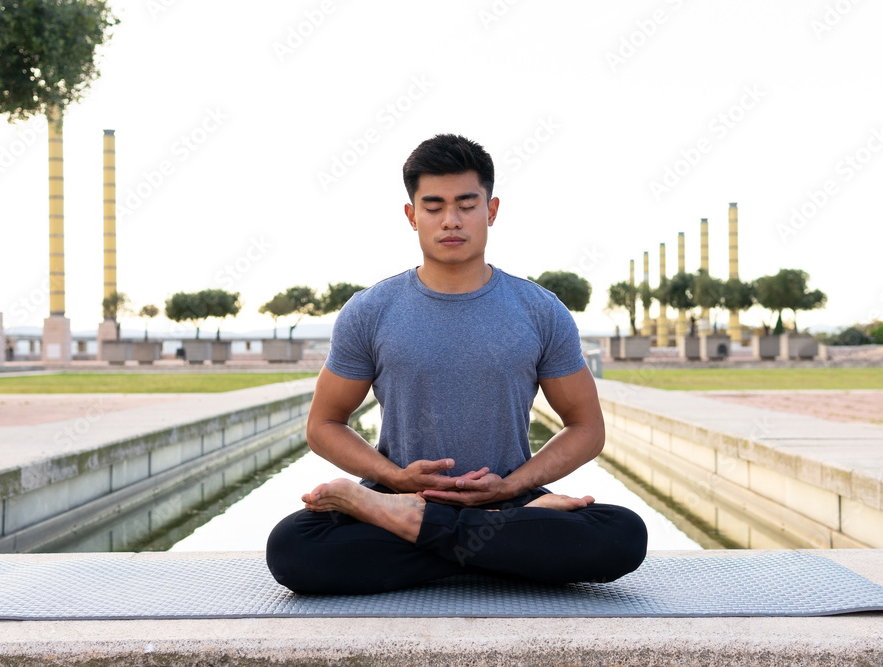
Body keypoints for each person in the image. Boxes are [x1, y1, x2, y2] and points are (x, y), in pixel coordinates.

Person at [266, 134, 647, 594]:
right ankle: (505, 547)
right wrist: (394, 479)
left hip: (509, 496)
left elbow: (587, 427)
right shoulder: (370, 310)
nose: (451, 220)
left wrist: (509, 491)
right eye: (433, 206)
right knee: (292, 546)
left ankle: (448, 535)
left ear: (492, 210)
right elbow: (324, 423)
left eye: (467, 204)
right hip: (396, 499)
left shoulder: (540, 310)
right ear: (411, 215)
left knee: (624, 534)